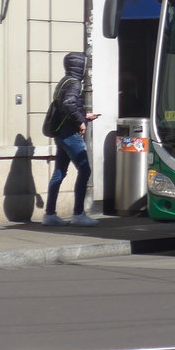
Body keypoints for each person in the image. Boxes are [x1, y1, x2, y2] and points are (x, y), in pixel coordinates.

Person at [43, 52, 101, 226]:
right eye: (85, 65)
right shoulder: (75, 83)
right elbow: (69, 104)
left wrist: (84, 115)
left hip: (61, 134)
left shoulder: (64, 81)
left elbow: (66, 105)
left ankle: (50, 214)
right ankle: (78, 214)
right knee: (85, 171)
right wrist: (81, 121)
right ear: (80, 66)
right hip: (70, 134)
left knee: (59, 173)